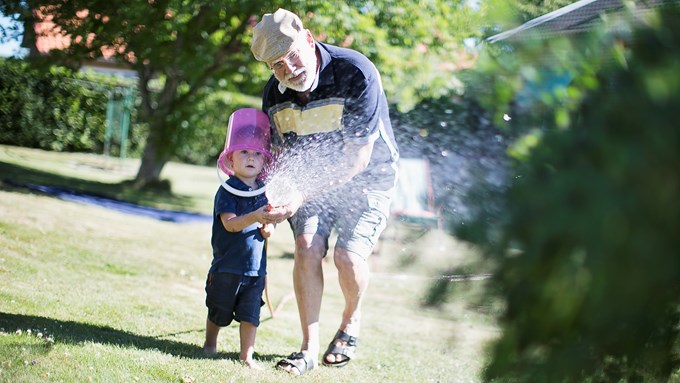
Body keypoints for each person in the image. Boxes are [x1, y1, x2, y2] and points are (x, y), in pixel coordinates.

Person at [250, 8, 400, 375]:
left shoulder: (356, 72)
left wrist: (300, 193)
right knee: (306, 247)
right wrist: (272, 198)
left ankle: (351, 321)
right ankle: (308, 350)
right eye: (277, 65)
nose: (289, 69)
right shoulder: (274, 96)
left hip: (370, 177)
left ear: (309, 39)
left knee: (347, 257)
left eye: (292, 56)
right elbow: (284, 158)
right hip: (310, 184)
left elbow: (357, 161)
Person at [203, 108, 274, 370]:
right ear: (230, 160)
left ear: (264, 162)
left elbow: (267, 227)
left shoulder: (264, 193)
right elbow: (230, 225)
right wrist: (256, 217)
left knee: (251, 314)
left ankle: (247, 357)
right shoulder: (228, 190)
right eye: (244, 152)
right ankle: (210, 343)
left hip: (255, 271)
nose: (251, 157)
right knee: (218, 310)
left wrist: (268, 229)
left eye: (257, 153)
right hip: (227, 267)